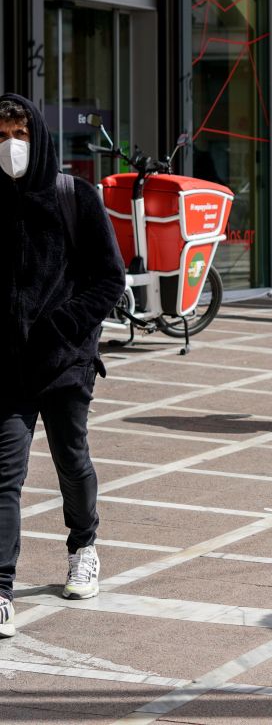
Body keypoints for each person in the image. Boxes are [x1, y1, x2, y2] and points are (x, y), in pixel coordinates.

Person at [0, 93, 126, 638]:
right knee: (5, 476)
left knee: (70, 460)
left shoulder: (74, 196)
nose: (11, 146)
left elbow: (109, 279)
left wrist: (63, 324)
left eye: (20, 134)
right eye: (2, 134)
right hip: (6, 368)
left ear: (39, 137)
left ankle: (84, 547)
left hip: (65, 362)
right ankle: (1, 588)